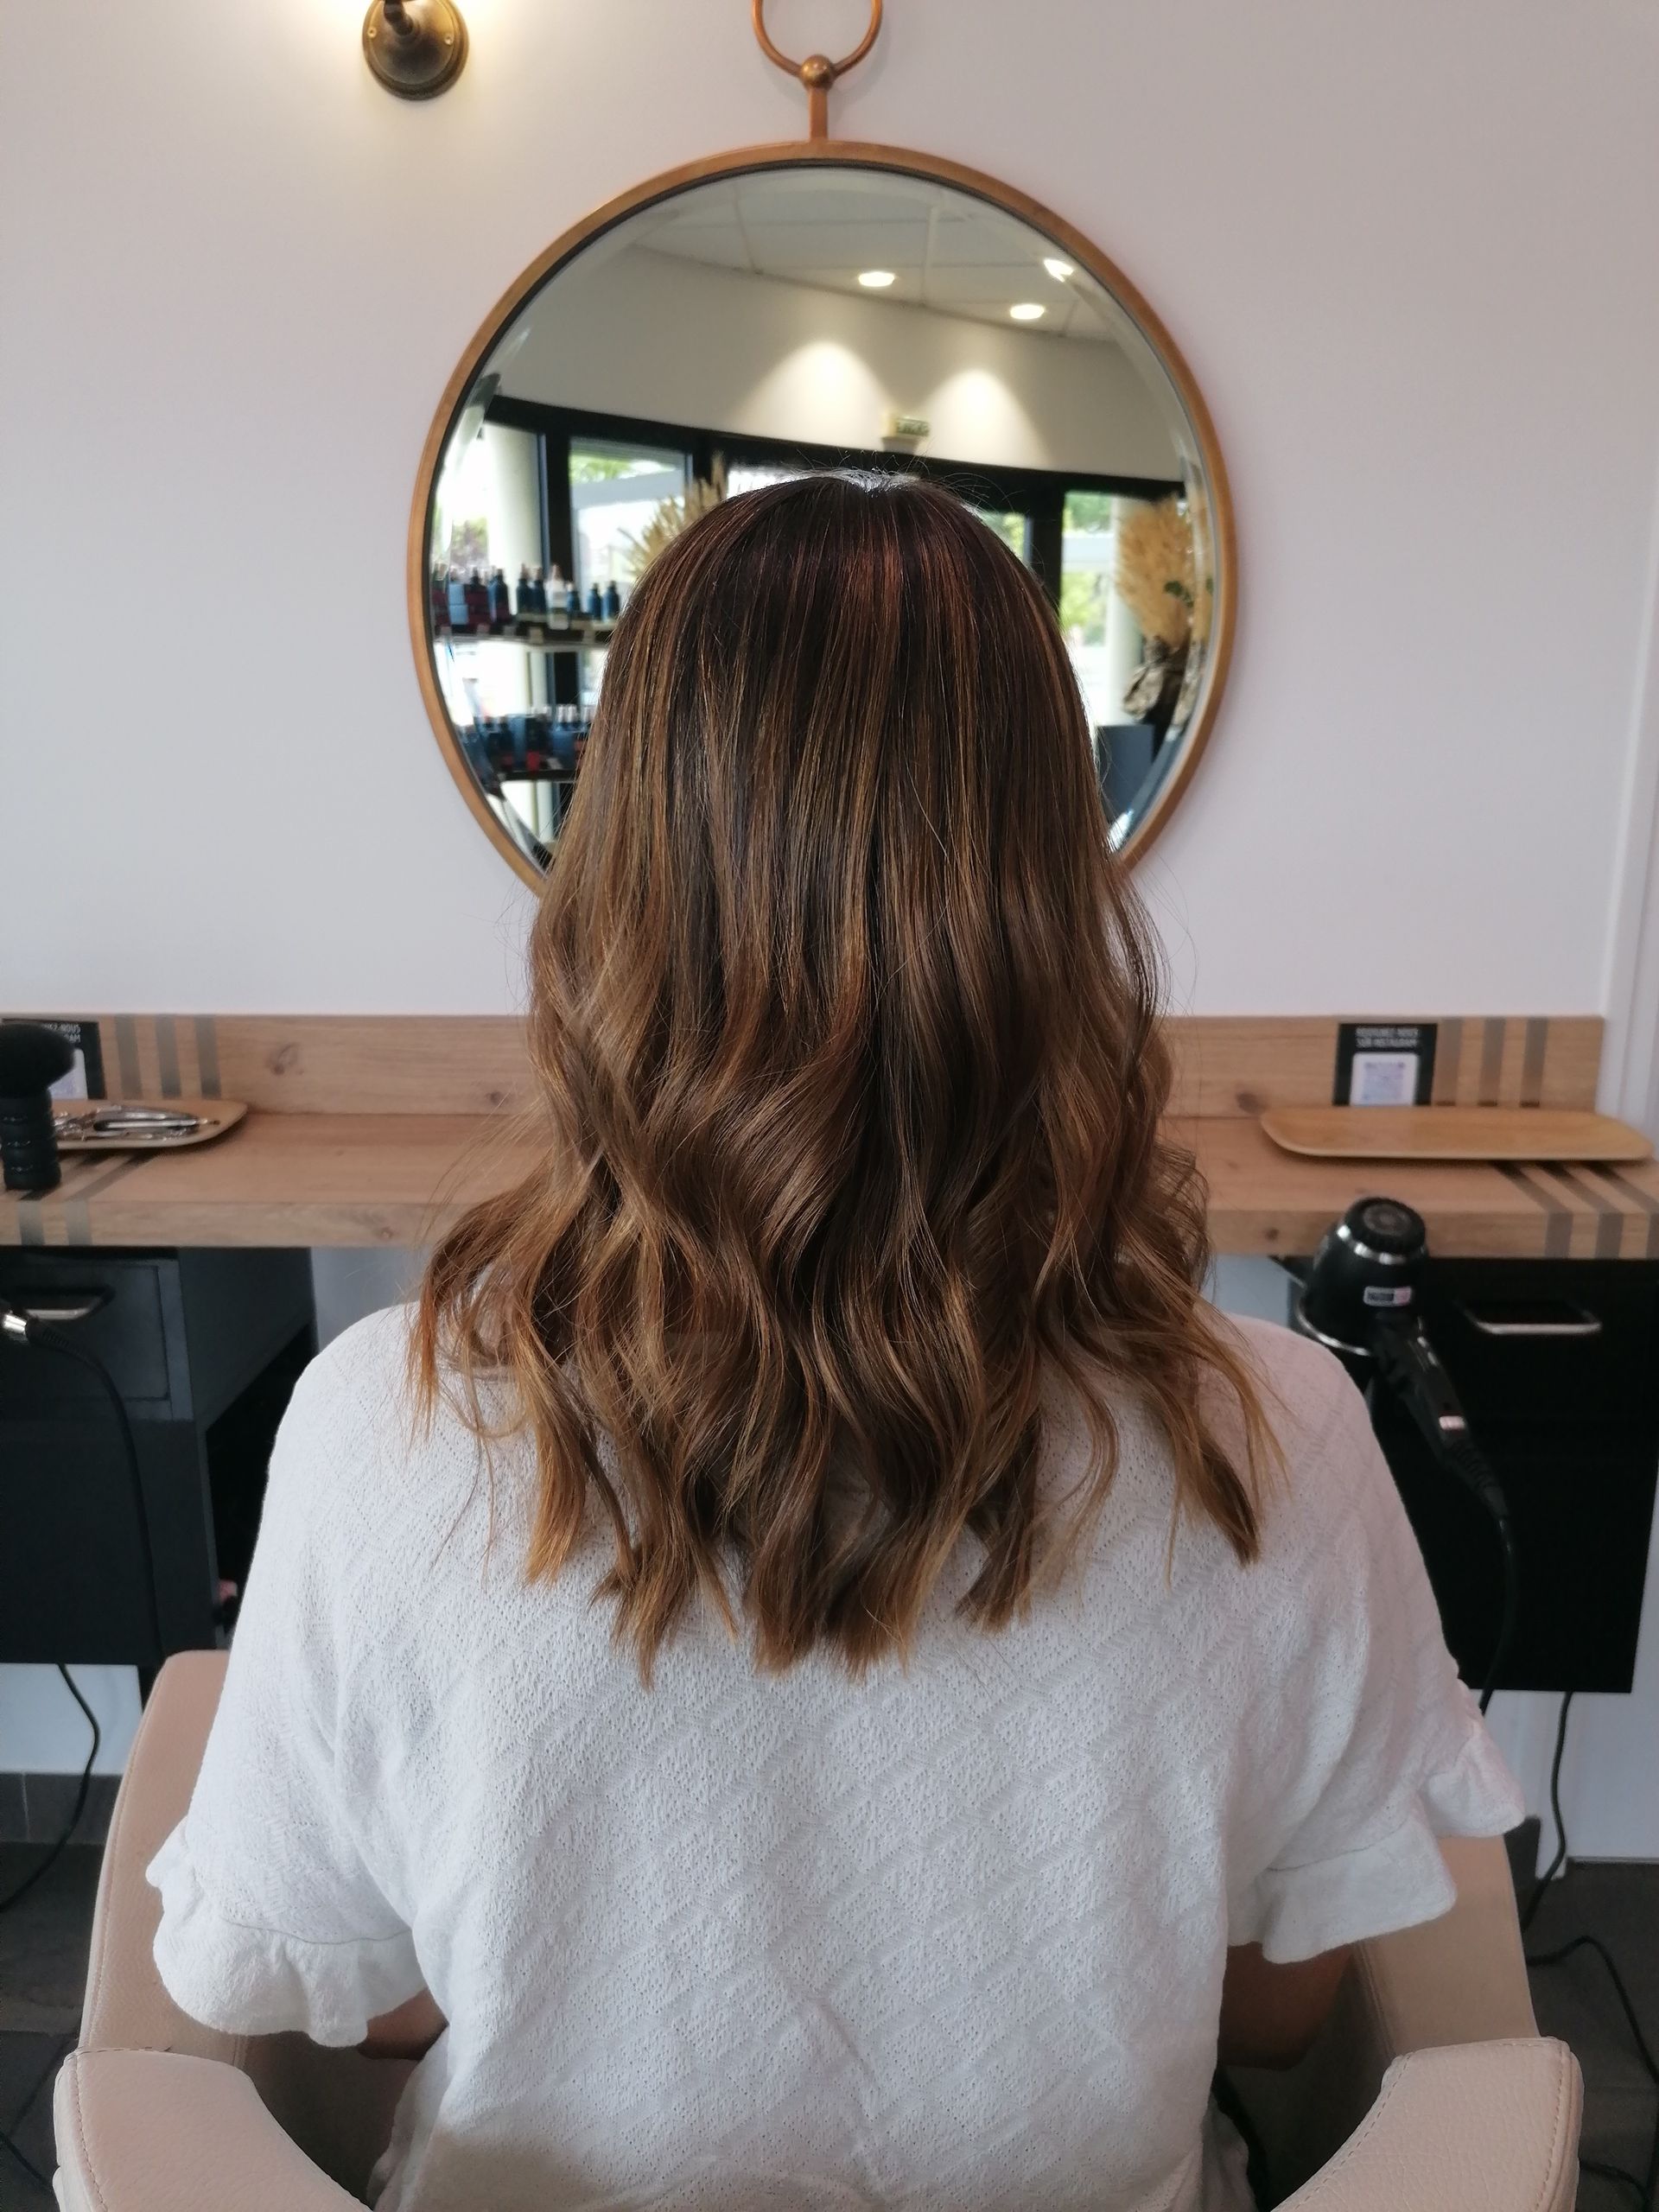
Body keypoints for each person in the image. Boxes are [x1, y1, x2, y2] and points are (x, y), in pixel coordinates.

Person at [149, 474, 1521, 2212]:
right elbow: (1276, 2000)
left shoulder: (385, 1425)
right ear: (1057, 893)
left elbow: (348, 1996)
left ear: (617, 883)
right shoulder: (1281, 1434)